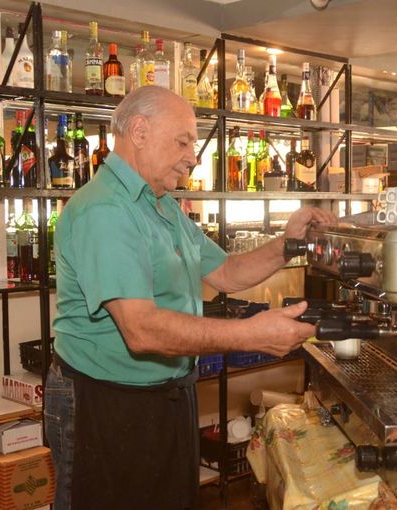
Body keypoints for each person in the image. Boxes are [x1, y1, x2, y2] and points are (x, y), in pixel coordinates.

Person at [46, 85, 336, 510]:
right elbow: (141, 330)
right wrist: (249, 335)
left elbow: (225, 273)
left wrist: (288, 244)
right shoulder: (105, 209)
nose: (193, 156)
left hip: (165, 395)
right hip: (103, 403)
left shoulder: (160, 205)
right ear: (140, 132)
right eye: (183, 141)